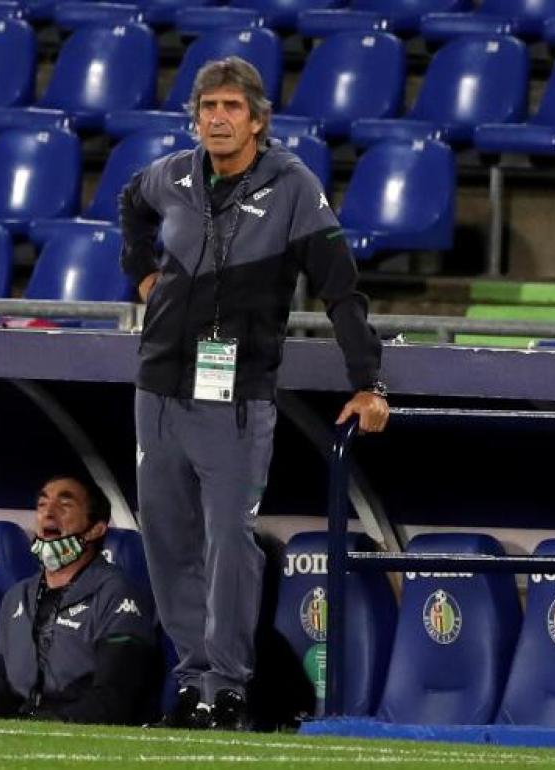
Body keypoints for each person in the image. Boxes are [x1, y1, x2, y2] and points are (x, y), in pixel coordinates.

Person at [119, 56, 390, 731]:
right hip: (157, 387)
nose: (217, 118)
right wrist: (142, 276)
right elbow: (131, 202)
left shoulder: (291, 185)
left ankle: (229, 685)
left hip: (234, 396)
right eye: (208, 107)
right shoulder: (174, 175)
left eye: (231, 108)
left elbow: (340, 287)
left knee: (228, 543)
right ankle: (190, 685)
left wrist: (367, 382)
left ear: (259, 120)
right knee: (167, 540)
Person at [0, 474, 160, 724]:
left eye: (65, 505)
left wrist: (37, 729)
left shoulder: (115, 593)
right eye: (42, 505)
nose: (48, 513)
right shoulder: (16, 597)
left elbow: (114, 699)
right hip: (20, 739)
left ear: (96, 529)